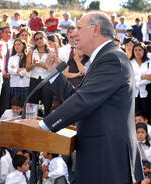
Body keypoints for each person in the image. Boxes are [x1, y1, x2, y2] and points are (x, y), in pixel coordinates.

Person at [20, 11, 144, 183]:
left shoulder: (112, 59)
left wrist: (43, 125)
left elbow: (83, 101)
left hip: (107, 158)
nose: (73, 33)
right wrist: (55, 74)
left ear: (96, 29)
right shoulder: (103, 58)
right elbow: (78, 96)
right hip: (98, 155)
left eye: (79, 28)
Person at [26, 31, 53, 116]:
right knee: (33, 104)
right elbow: (27, 69)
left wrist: (40, 64)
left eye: (41, 38)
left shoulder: (51, 52)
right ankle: (32, 125)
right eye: (36, 39)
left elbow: (51, 69)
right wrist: (34, 64)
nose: (39, 40)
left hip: (47, 80)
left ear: (45, 38)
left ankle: (47, 126)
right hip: (34, 79)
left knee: (47, 104)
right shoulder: (31, 52)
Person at [130, 42, 151, 113]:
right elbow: (129, 78)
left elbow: (150, 78)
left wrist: (137, 80)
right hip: (133, 95)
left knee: (147, 115)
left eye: (140, 50)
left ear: (144, 51)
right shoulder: (130, 63)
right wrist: (143, 77)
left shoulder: (149, 62)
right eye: (135, 50)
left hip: (147, 94)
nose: (137, 52)